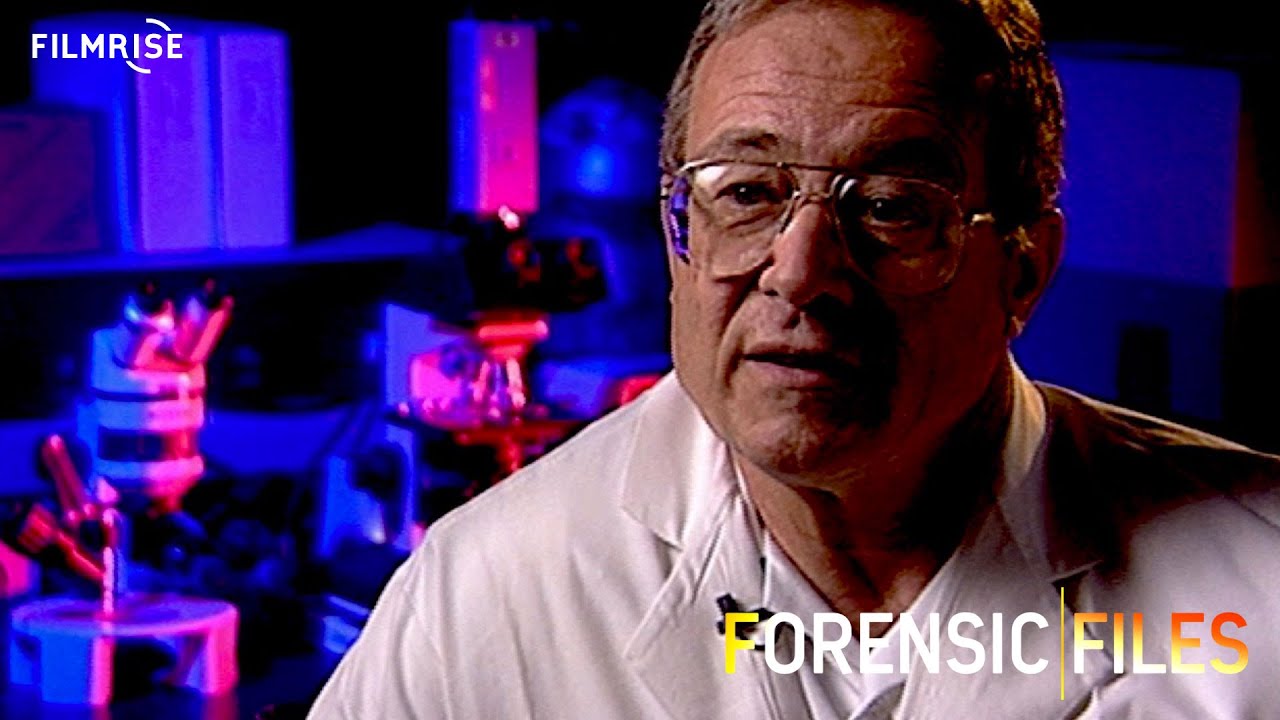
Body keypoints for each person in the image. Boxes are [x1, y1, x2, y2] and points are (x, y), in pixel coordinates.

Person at [307, 0, 1280, 717]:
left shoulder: (1257, 592)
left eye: (890, 207)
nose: (802, 272)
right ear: (678, 236)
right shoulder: (484, 593)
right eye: (746, 194)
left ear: (1023, 269)